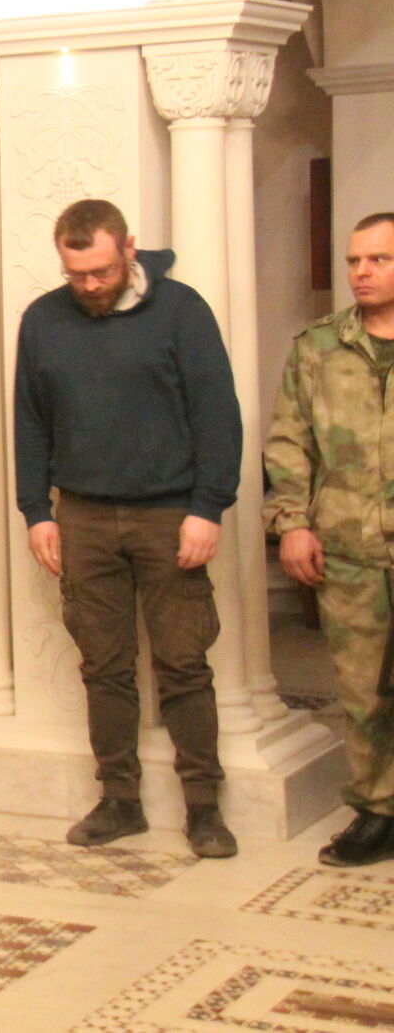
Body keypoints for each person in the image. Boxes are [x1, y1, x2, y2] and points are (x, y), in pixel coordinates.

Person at [14, 199, 239, 859]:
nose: (89, 285)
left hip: (169, 512)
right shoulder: (43, 320)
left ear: (129, 250)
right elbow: (30, 421)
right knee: (104, 666)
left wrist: (208, 506)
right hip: (82, 515)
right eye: (76, 274)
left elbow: (217, 413)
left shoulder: (182, 311)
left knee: (183, 662)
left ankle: (204, 807)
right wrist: (37, 510)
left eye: (102, 272)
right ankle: (119, 799)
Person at [264, 210, 394, 867]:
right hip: (349, 546)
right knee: (363, 689)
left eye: (378, 260)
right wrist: (292, 522)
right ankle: (378, 810)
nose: (361, 272)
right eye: (353, 261)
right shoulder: (317, 348)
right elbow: (289, 441)